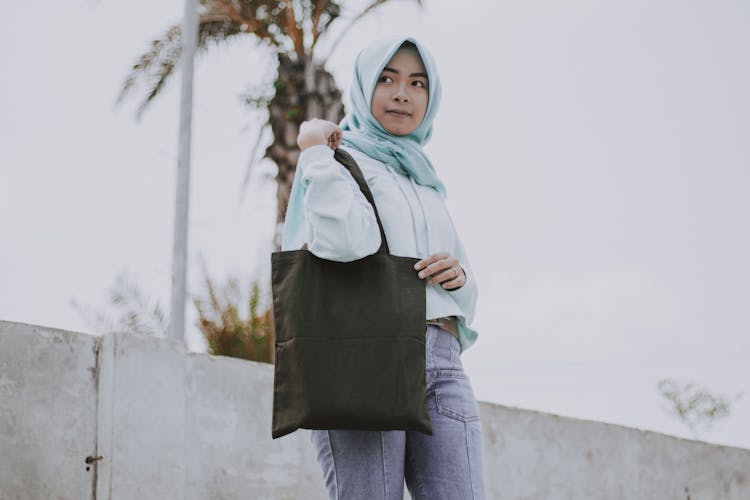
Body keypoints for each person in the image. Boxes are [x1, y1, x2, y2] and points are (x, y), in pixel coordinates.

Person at [282, 34, 486, 500]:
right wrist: (315, 152)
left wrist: (459, 278)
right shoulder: (337, 160)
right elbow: (343, 243)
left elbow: (467, 296)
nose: (401, 94)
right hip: (363, 355)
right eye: (387, 79)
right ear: (363, 87)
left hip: (442, 360)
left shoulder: (425, 180)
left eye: (417, 83)